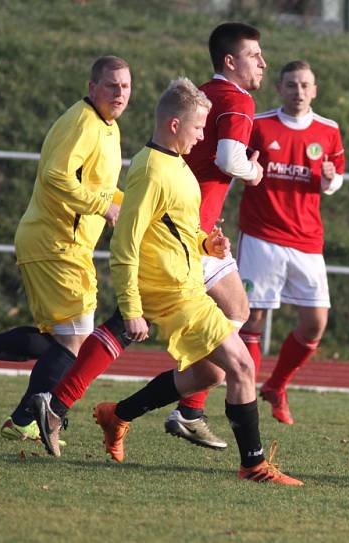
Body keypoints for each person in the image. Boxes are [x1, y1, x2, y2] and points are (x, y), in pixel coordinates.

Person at [33, 77, 302, 485]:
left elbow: (174, 226)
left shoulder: (176, 164)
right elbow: (125, 241)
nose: (202, 137)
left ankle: (116, 414)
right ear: (174, 125)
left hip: (187, 282)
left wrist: (206, 242)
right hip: (173, 292)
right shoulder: (151, 171)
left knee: (211, 374)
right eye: (198, 128)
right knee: (243, 365)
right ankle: (253, 465)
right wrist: (131, 308)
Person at [0, 55, 132, 444]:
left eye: (126, 86)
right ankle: (25, 417)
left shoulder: (108, 126)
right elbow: (55, 176)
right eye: (112, 85)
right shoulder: (83, 122)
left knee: (60, 339)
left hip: (60, 242)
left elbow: (102, 188)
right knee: (76, 336)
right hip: (56, 242)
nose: (120, 93)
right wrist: (102, 206)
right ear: (92, 87)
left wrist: (131, 209)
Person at [162, 21, 267, 445]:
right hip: (184, 233)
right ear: (230, 61)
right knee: (122, 325)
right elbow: (228, 159)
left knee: (236, 311)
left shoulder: (204, 94)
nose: (262, 63)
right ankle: (59, 401)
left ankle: (189, 408)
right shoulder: (238, 100)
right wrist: (255, 172)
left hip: (195, 227)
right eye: (254, 56)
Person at [237, 60, 345, 424]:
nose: (298, 92)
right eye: (291, 85)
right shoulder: (260, 125)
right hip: (261, 235)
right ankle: (247, 397)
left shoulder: (329, 130)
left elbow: (335, 180)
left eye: (305, 85)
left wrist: (330, 178)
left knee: (316, 321)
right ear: (279, 89)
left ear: (314, 90)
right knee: (252, 318)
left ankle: (277, 386)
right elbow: (239, 165)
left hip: (306, 239)